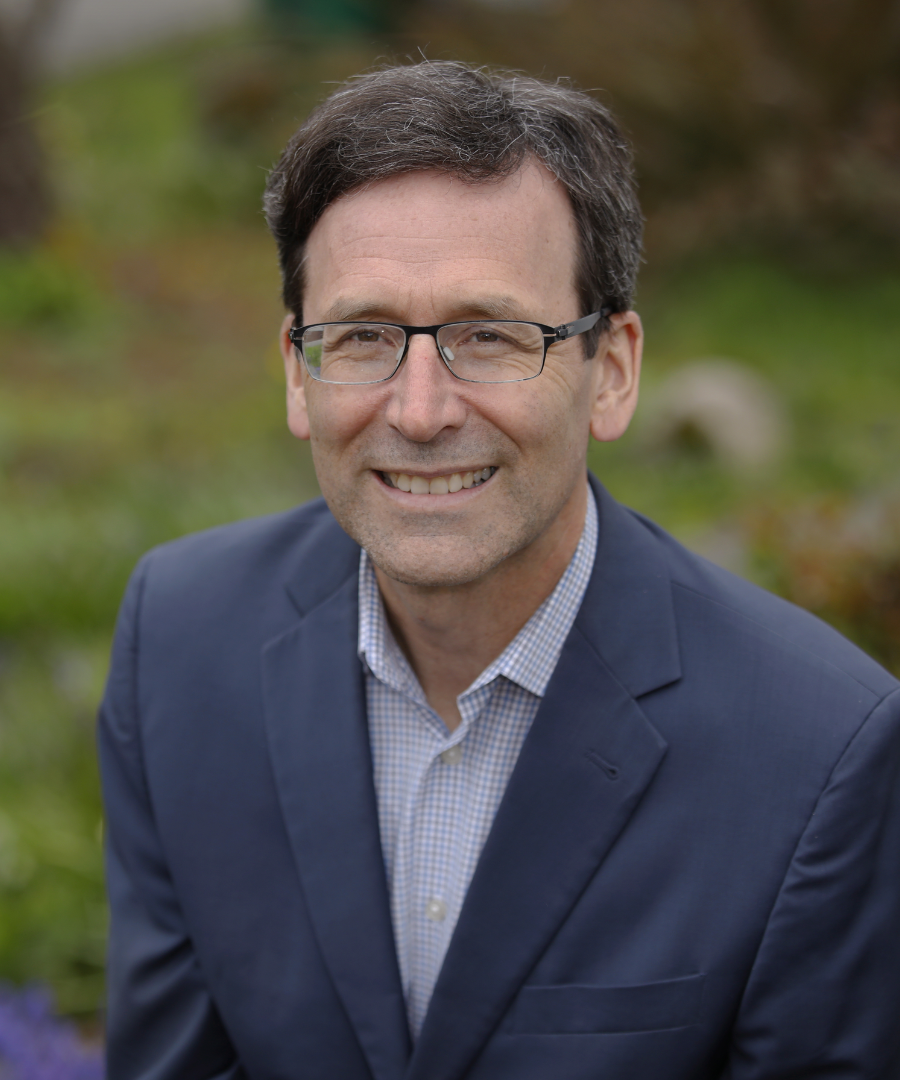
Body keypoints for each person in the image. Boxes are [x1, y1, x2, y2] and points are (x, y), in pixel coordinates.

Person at [98, 61, 900, 1079]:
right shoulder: (178, 643)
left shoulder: (818, 752)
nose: (421, 411)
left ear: (611, 372)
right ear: (299, 374)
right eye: (363, 336)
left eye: (489, 336)